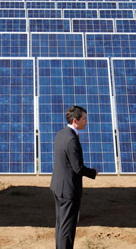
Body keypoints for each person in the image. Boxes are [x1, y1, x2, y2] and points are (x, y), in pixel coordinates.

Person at [50, 105, 98, 249]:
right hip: (68, 190)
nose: (86, 121)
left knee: (60, 225)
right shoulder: (72, 139)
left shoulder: (61, 134)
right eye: (84, 119)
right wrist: (92, 172)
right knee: (67, 229)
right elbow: (78, 168)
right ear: (75, 121)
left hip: (58, 187)